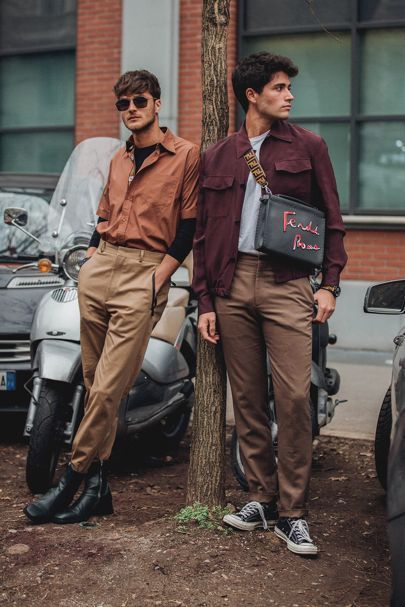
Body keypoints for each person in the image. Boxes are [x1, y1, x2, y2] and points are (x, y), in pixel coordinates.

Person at [24, 70, 199, 525]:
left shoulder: (185, 156)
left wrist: (159, 278)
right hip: (101, 270)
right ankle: (99, 490)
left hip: (144, 273)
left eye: (139, 101)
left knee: (106, 387)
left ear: (157, 104)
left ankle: (72, 477)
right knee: (90, 377)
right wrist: (92, 255)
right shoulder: (119, 159)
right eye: (123, 104)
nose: (131, 110)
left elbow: (189, 225)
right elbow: (104, 212)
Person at [193, 52, 347, 556]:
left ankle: (293, 512)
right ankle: (260, 498)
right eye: (280, 88)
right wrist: (206, 302)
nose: (290, 95)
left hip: (287, 284)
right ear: (252, 95)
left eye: (289, 87)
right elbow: (203, 236)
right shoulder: (217, 156)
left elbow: (332, 218)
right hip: (231, 285)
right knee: (248, 400)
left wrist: (329, 285)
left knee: (295, 398)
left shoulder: (309, 147)